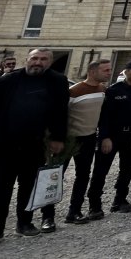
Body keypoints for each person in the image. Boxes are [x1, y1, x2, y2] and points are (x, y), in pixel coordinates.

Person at [0, 48, 69, 250]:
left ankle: (24, 223)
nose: (38, 62)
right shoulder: (6, 81)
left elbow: (60, 111)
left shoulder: (57, 81)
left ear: (50, 62)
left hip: (34, 144)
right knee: (0, 188)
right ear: (27, 59)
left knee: (28, 186)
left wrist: (57, 138)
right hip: (3, 144)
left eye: (43, 59)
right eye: (34, 58)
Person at [45, 59, 111, 228]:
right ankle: (48, 216)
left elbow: (103, 116)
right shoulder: (74, 91)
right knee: (55, 176)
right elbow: (60, 115)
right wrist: (56, 139)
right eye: (105, 70)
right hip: (68, 139)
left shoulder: (103, 90)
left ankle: (74, 211)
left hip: (88, 138)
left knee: (82, 176)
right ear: (92, 71)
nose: (109, 73)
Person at [86, 59, 131, 218]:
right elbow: (104, 117)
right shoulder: (113, 90)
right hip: (113, 136)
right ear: (126, 71)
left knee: (127, 170)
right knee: (100, 171)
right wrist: (105, 137)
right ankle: (94, 205)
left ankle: (120, 200)